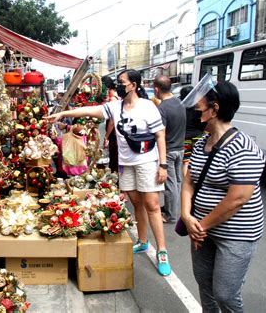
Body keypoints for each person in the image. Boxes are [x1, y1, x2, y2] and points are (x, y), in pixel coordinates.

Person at [45, 69, 171, 276]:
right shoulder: (114, 107)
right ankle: (142, 241)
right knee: (136, 202)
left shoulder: (148, 107)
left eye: (122, 82)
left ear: (134, 85)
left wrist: (163, 165)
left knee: (152, 205)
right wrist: (63, 113)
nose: (118, 87)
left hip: (147, 161)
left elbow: (160, 136)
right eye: (118, 83)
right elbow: (87, 111)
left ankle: (163, 252)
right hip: (126, 163)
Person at [181, 81, 265, 311]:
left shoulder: (244, 148)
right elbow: (189, 181)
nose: (193, 113)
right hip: (201, 230)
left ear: (214, 109)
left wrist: (200, 226)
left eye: (197, 108)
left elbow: (237, 198)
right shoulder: (200, 144)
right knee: (205, 286)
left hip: (235, 234)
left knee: (225, 294)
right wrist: (186, 216)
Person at [154, 75, 186, 224]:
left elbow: (162, 133)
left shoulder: (163, 108)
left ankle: (170, 215)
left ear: (156, 89)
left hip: (170, 150)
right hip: (180, 148)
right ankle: (170, 208)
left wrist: (163, 162)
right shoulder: (179, 103)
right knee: (177, 183)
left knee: (170, 185)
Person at [181, 85, 207, 176]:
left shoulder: (181, 108)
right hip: (198, 136)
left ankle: (186, 183)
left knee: (186, 162)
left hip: (185, 138)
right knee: (199, 159)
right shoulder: (198, 108)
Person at [101, 75, 119, 172]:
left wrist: (106, 136)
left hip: (113, 133)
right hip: (116, 132)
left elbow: (112, 121)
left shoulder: (113, 99)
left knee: (114, 158)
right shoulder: (115, 97)